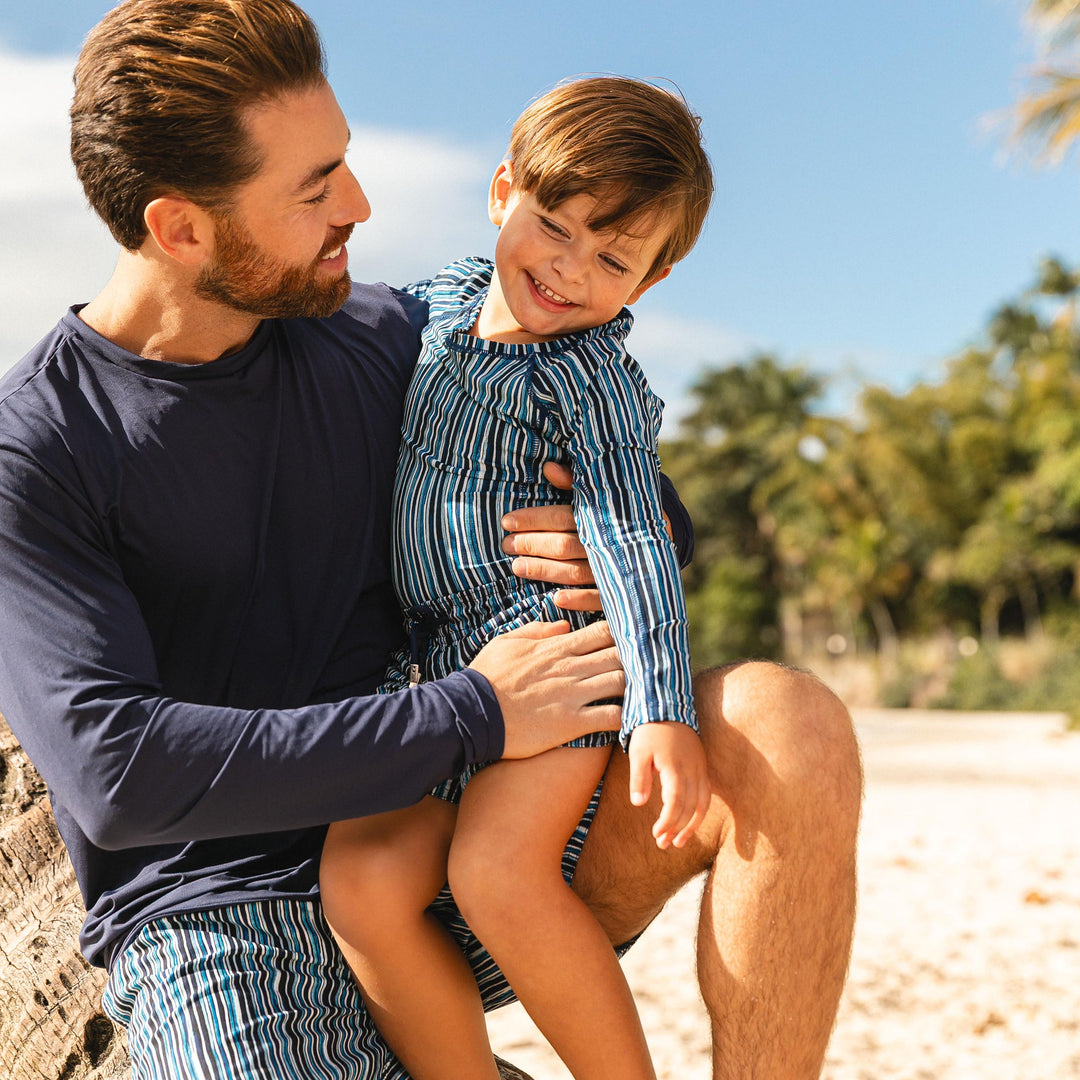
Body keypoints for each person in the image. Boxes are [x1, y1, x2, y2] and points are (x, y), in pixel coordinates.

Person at [0, 2, 862, 1078]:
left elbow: (617, 470)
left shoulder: (389, 336)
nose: (358, 205)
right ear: (182, 230)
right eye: (315, 189)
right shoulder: (38, 448)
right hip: (223, 908)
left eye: (344, 161)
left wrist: (599, 534)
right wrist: (474, 712)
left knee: (788, 726)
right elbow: (118, 772)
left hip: (465, 845)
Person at [320, 76, 713, 1080]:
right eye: (554, 225)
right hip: (439, 679)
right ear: (503, 193)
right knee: (361, 878)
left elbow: (633, 536)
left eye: (612, 258)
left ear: (651, 279)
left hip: (555, 659)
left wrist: (662, 711)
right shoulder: (437, 305)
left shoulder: (593, 381)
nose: (569, 268)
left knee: (497, 872)